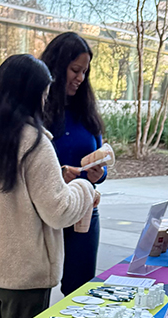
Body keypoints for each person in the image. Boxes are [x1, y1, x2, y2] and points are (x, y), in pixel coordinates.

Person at [0, 54, 98, 318]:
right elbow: (59, 210)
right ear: (33, 94)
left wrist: (56, 181)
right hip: (22, 275)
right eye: (45, 93)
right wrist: (83, 188)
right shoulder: (33, 140)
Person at [41, 32, 107, 297]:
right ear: (57, 67)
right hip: (45, 215)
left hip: (83, 213)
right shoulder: (37, 109)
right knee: (36, 293)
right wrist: (58, 174)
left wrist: (98, 173)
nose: (80, 78)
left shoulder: (85, 110)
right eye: (75, 70)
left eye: (85, 72)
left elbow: (99, 163)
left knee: (80, 293)